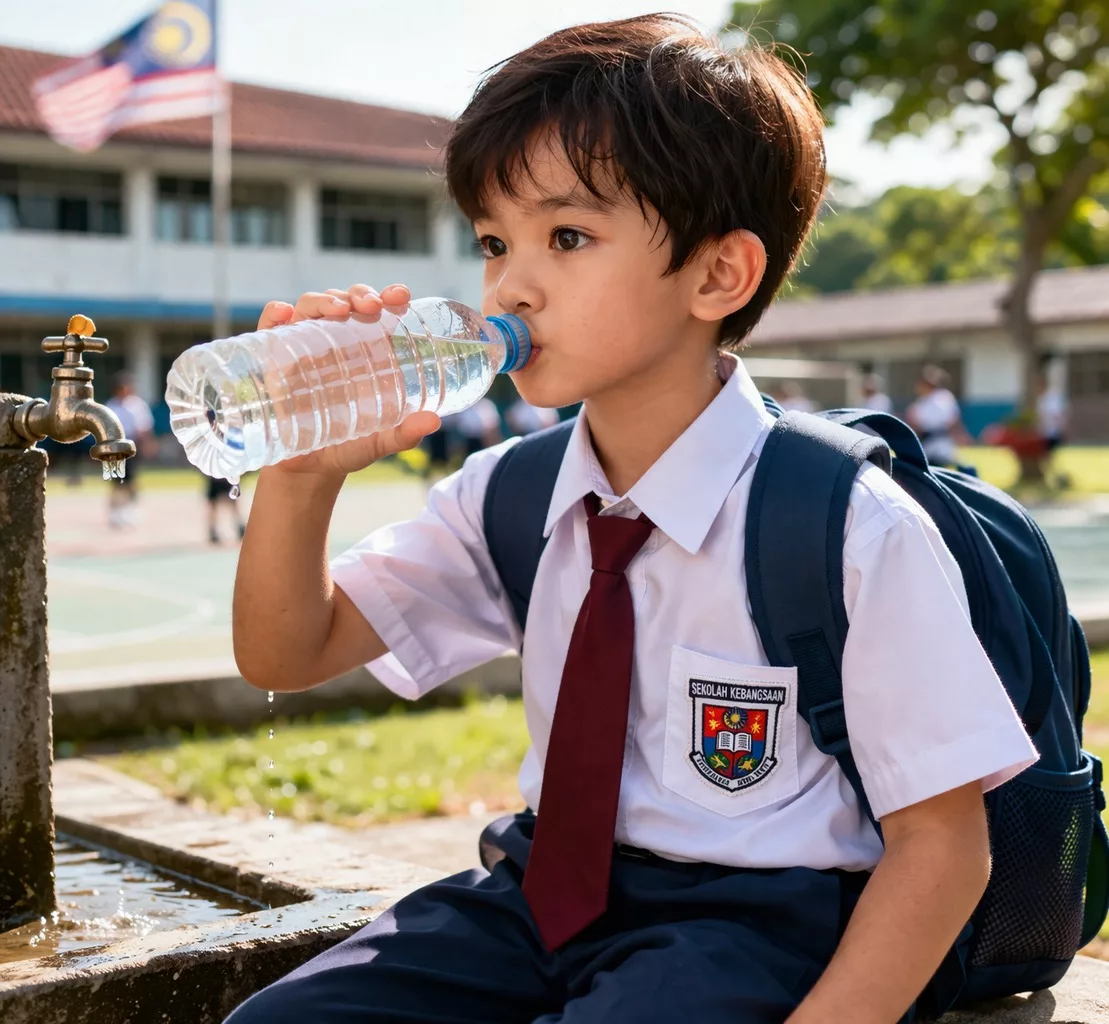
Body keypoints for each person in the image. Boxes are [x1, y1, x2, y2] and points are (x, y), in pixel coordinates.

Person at [226, 17, 1035, 1024]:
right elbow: (284, 650)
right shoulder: (509, 493)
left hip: (760, 921)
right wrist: (301, 477)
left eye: (566, 237)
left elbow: (943, 848)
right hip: (538, 899)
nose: (509, 285)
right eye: (492, 241)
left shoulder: (839, 521)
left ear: (715, 276)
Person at [104, 372, 156, 528]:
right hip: (114, 448)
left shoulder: (137, 405)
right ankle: (115, 512)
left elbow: (144, 427)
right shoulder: (110, 405)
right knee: (116, 481)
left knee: (131, 481)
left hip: (132, 447)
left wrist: (147, 443)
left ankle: (131, 509)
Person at [905, 365, 967, 465]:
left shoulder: (943, 397)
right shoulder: (921, 402)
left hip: (942, 445)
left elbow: (951, 421)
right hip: (927, 445)